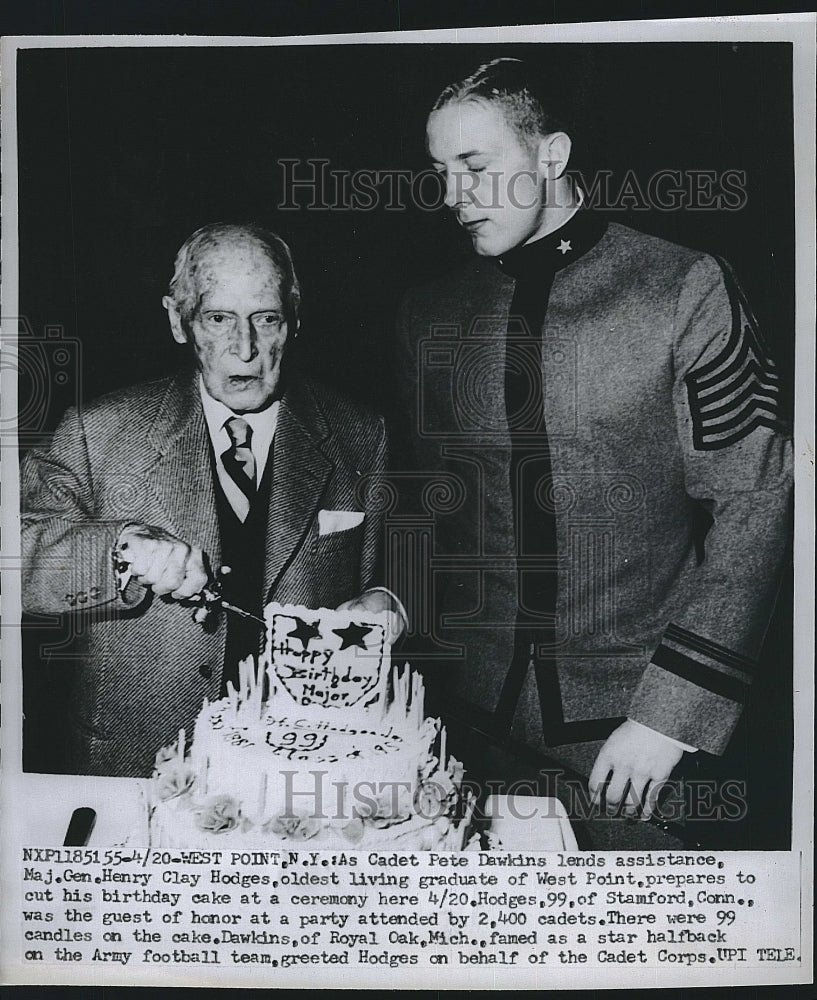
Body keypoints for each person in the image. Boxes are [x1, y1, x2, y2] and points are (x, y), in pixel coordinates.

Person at [394, 58, 792, 847]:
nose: (453, 196)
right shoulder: (426, 310)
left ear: (551, 155)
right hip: (465, 733)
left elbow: (756, 501)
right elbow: (425, 504)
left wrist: (669, 715)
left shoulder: (683, 286)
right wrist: (395, 604)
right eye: (440, 173)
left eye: (476, 167)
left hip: (631, 742)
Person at [22, 222, 401, 776]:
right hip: (135, 763)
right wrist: (122, 548)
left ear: (293, 320)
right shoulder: (96, 431)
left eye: (265, 318)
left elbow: (399, 574)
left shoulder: (361, 435)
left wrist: (390, 604)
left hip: (300, 770)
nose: (244, 348)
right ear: (178, 321)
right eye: (218, 318)